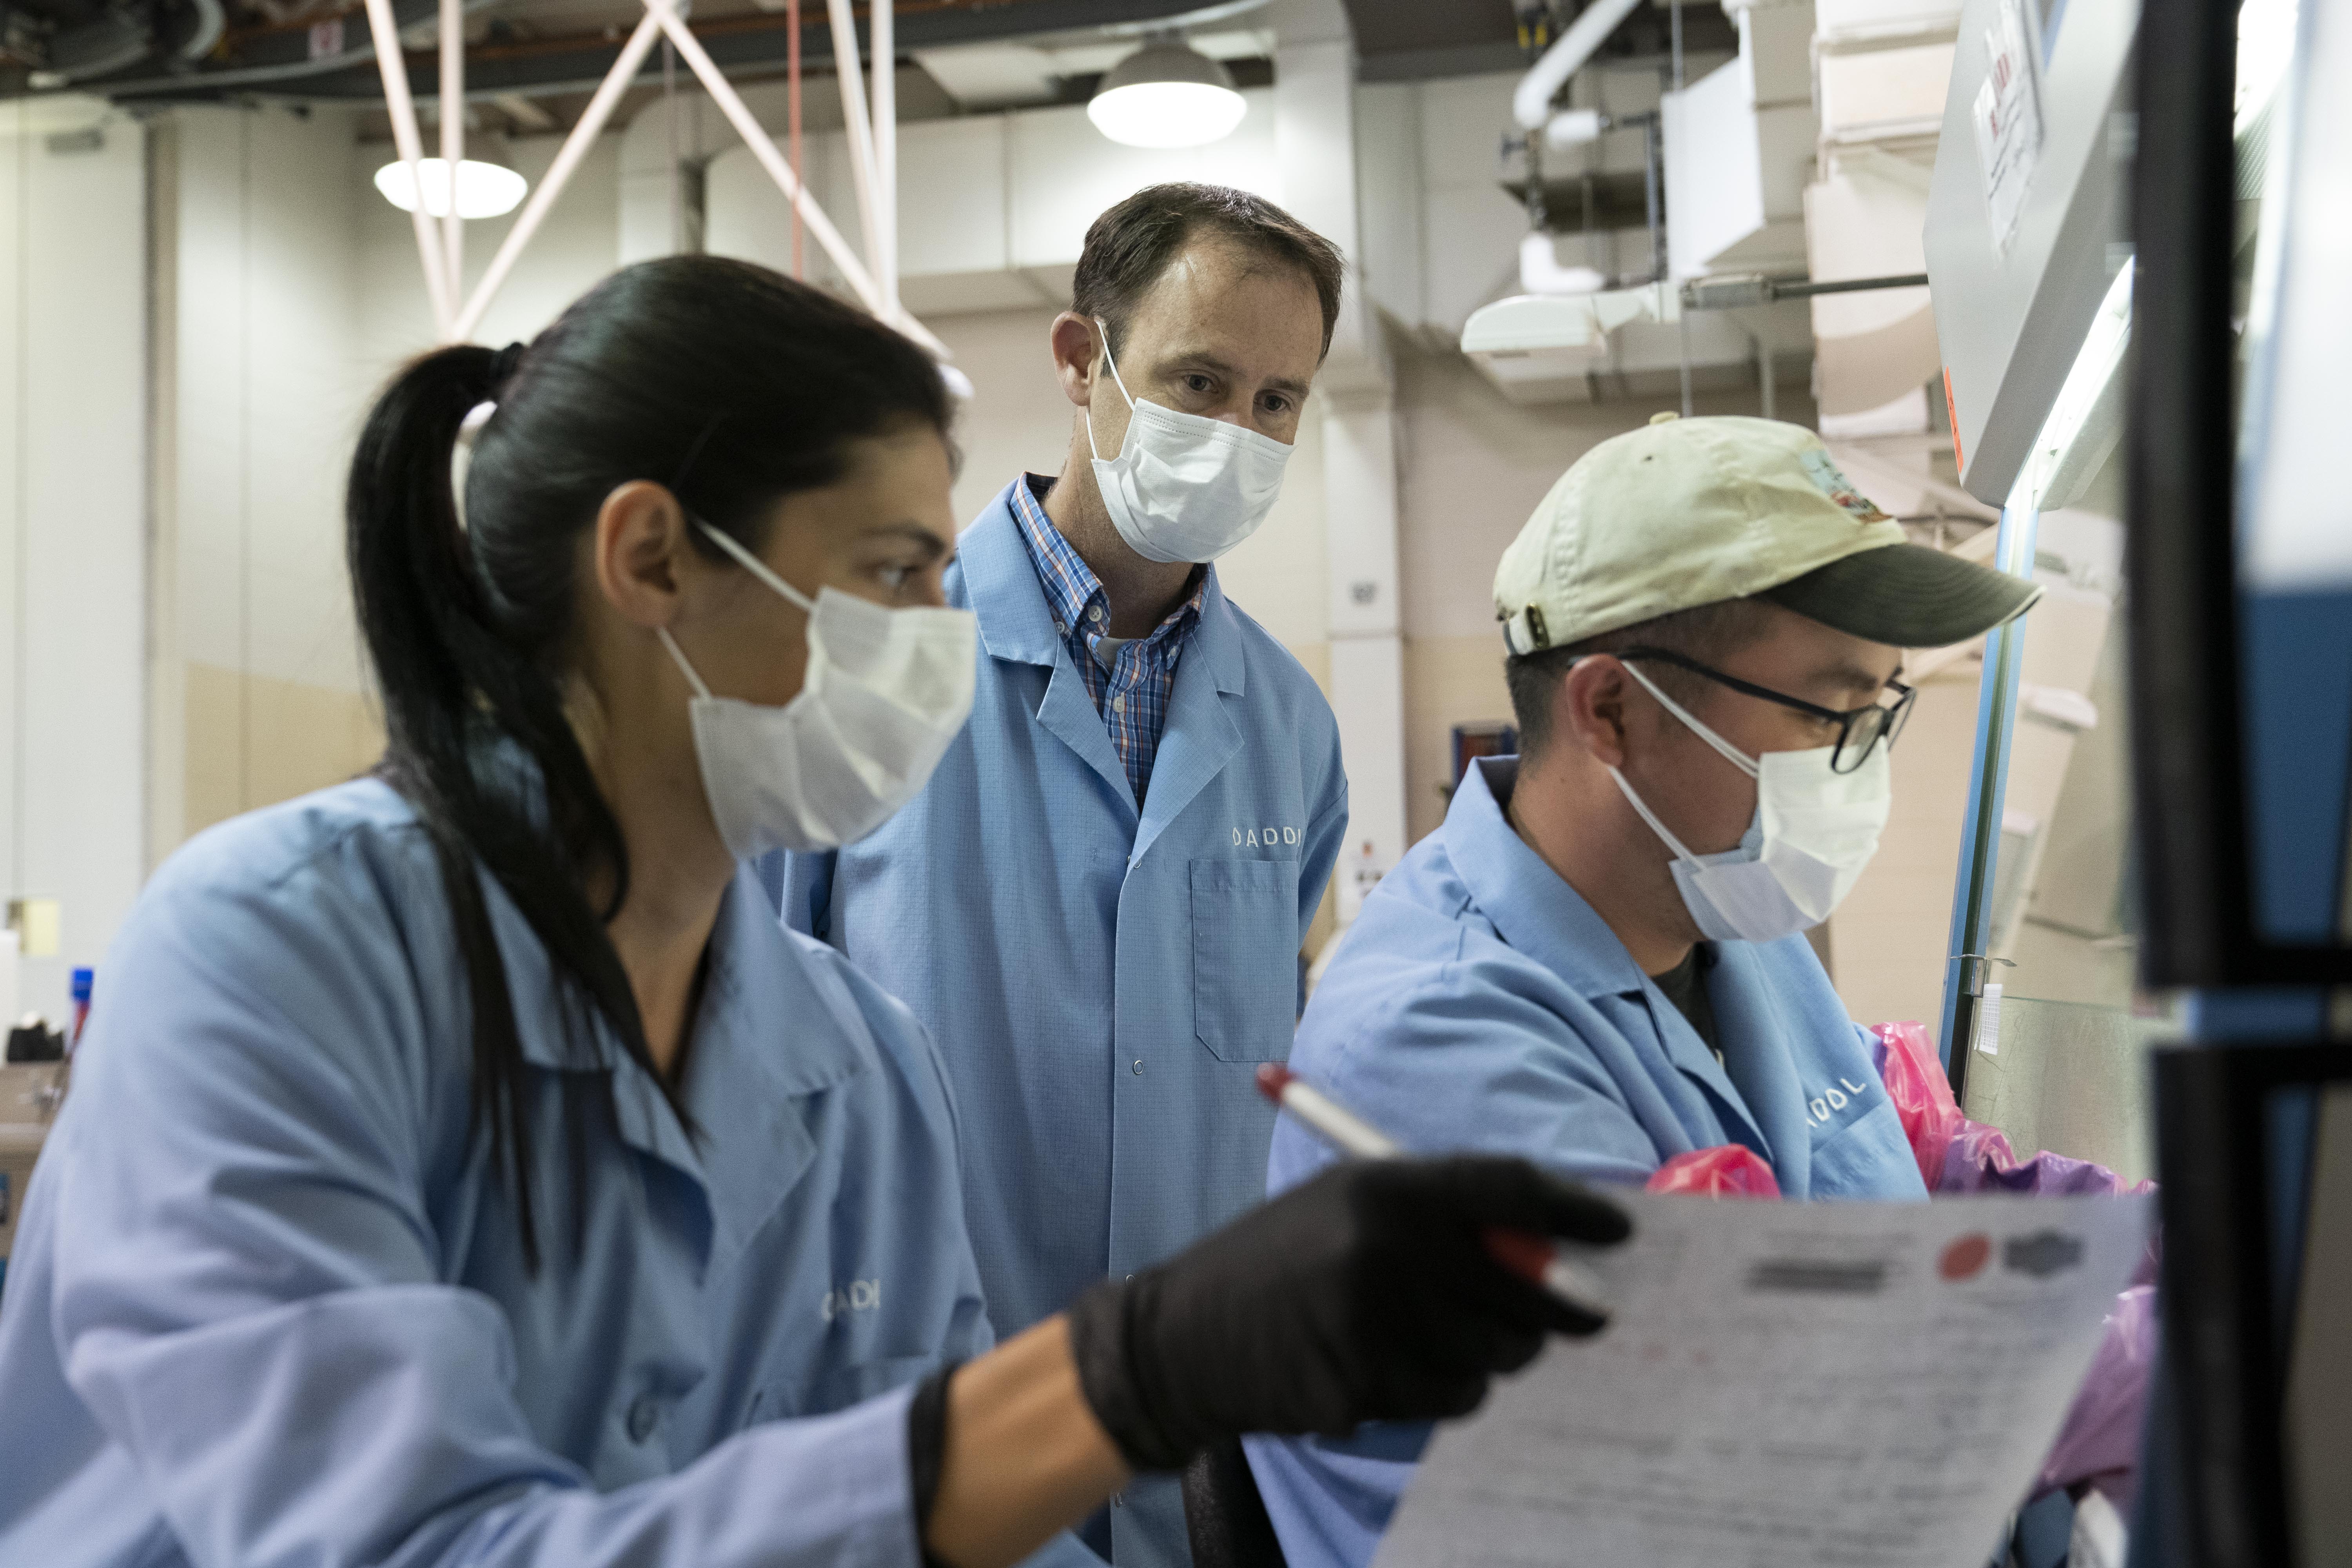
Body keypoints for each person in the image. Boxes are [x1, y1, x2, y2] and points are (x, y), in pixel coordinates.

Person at [0, 258, 1631, 1568]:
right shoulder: (273, 959)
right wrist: (1126, 1376)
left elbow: (961, 1521)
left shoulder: (854, 1058)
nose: (942, 641)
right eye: (896, 574)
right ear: (652, 559)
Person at [1244, 414, 2047, 1568]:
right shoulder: (1433, 1039)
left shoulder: (1722, 912)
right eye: (1829, 713)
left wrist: (2046, 1209)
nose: (1862, 762)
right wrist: (2074, 1357)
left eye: (1883, 711)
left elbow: (1856, 1180)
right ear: (1612, 712)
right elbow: (1769, 1451)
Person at [773, 183, 1349, 1566]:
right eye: (1199, 382)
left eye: (1277, 401)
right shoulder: (867, 662)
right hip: (921, 1433)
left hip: (1198, 1457)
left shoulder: (1289, 727)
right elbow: (755, 1058)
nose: (1237, 432)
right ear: (1083, 361)